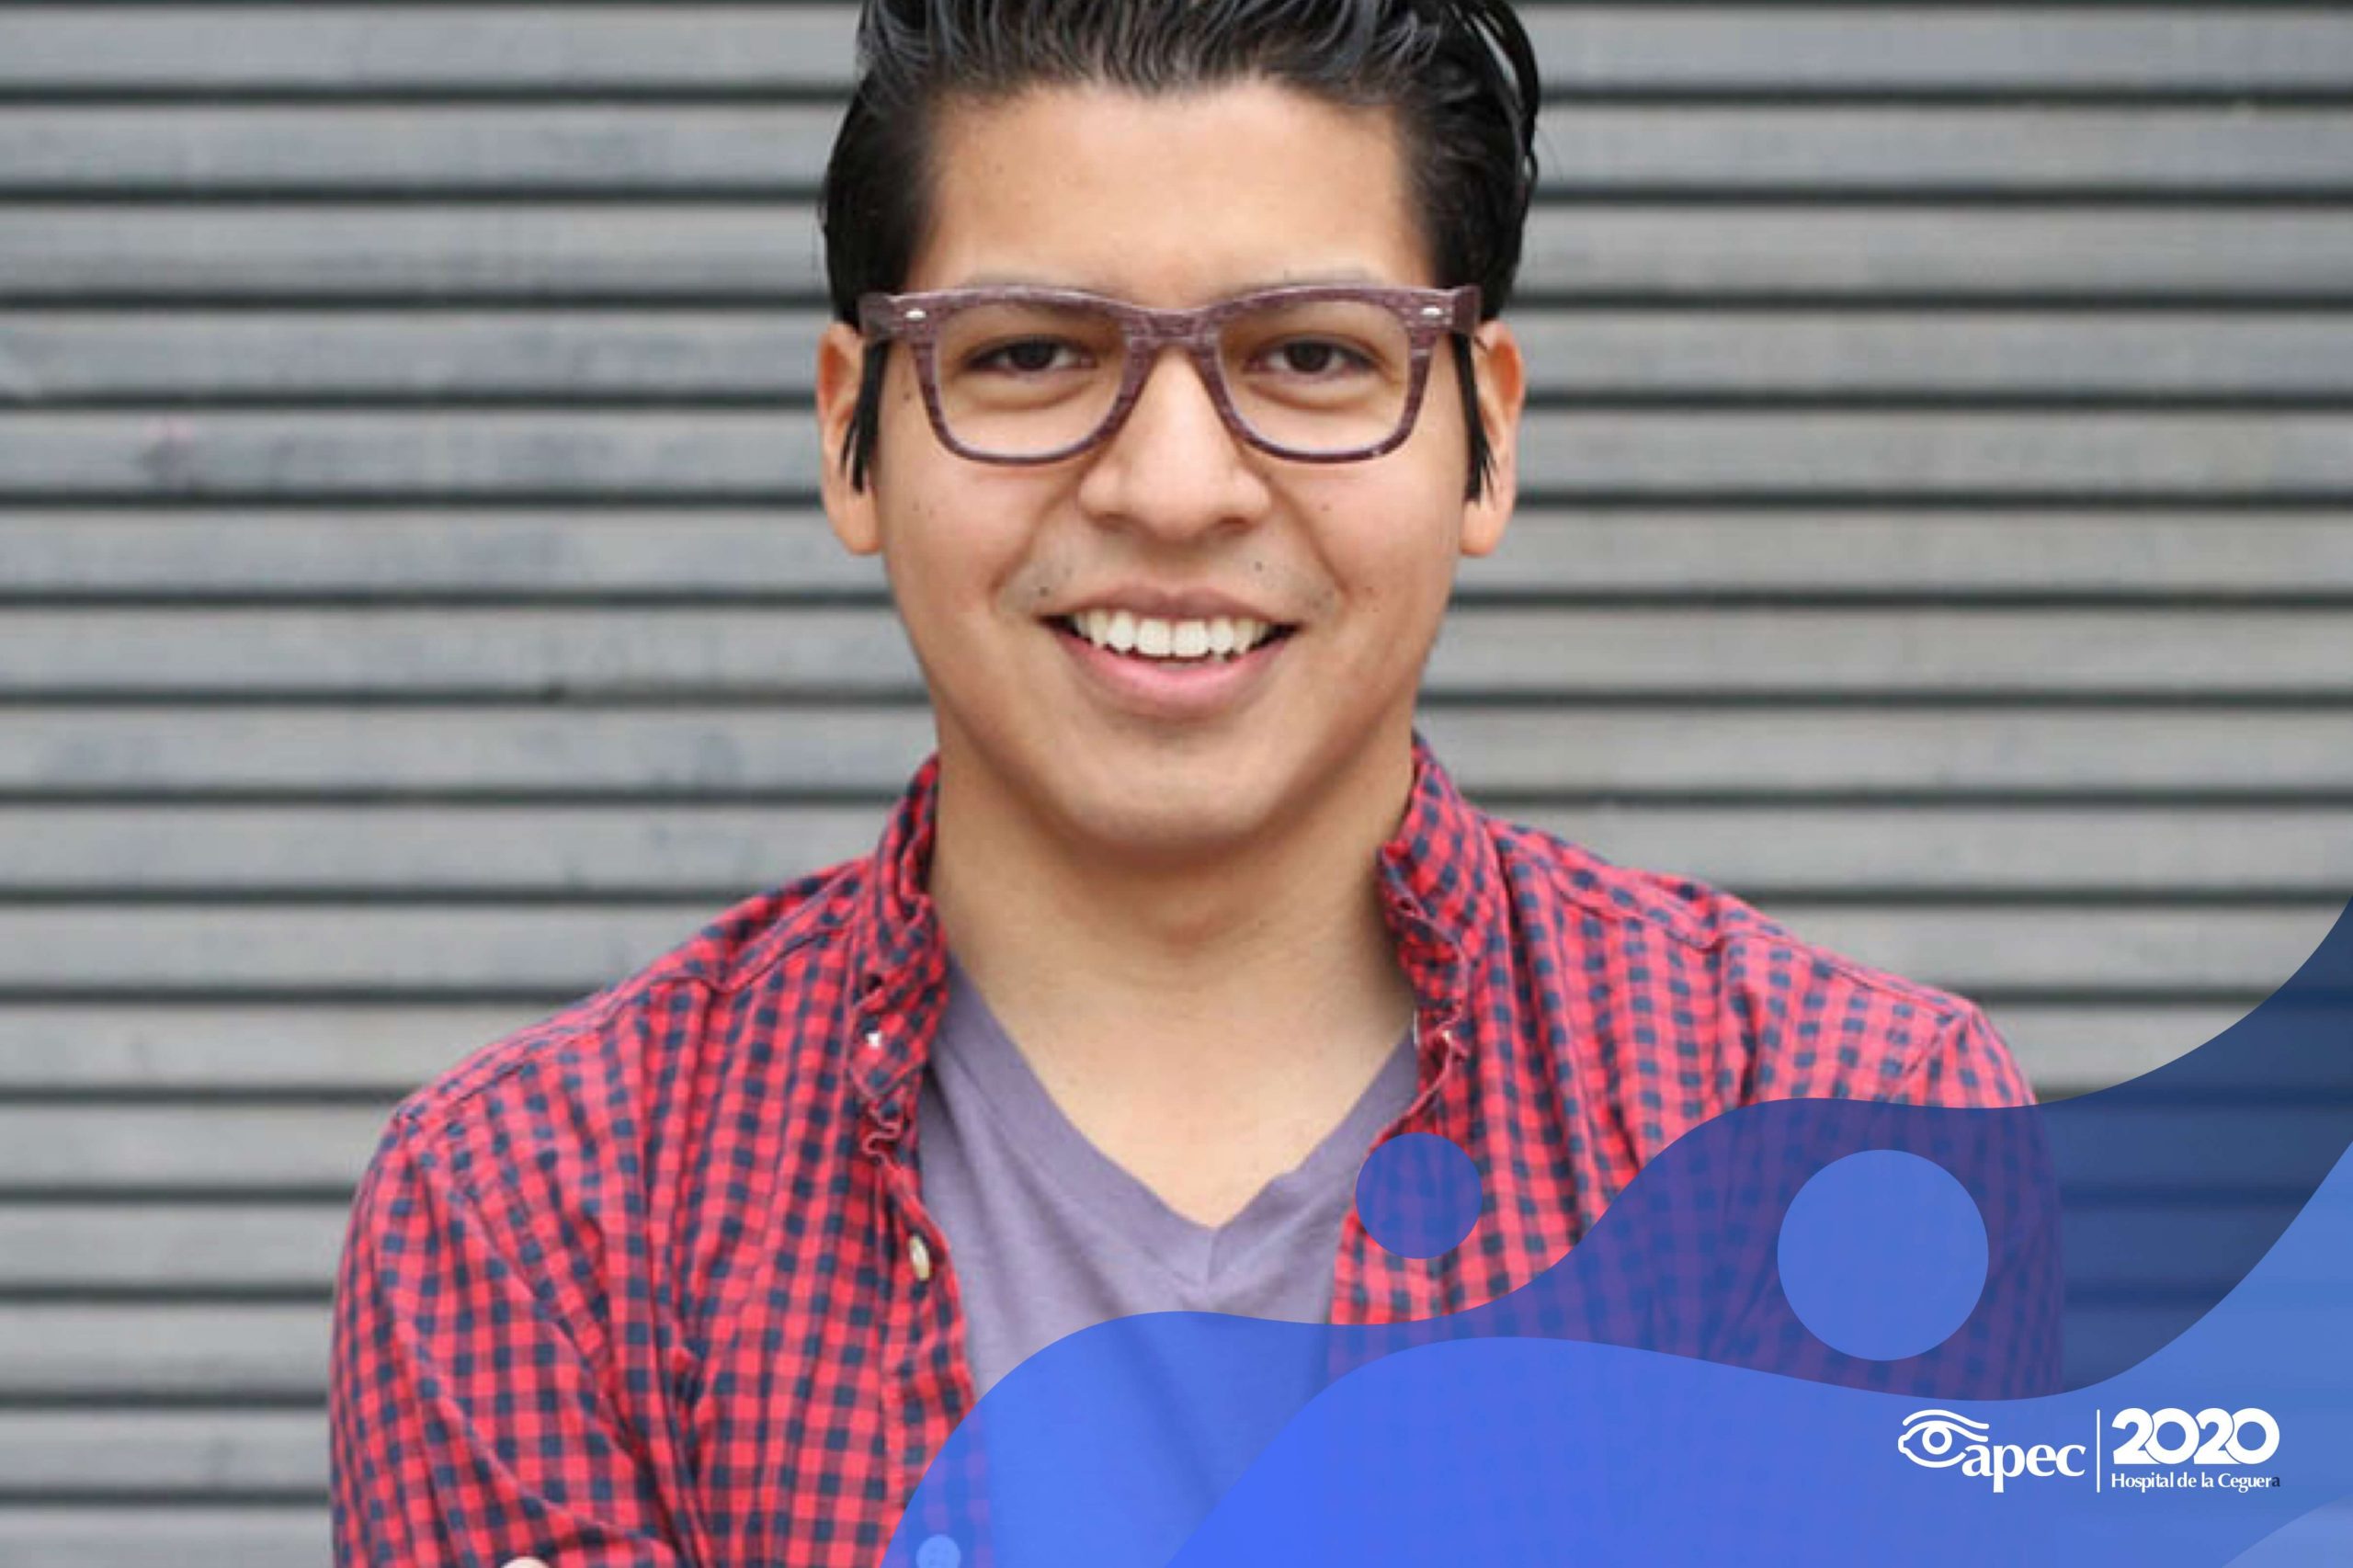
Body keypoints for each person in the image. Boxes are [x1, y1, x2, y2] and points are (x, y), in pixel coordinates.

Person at [329, 1, 2034, 1563]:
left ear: (1486, 436)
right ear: (853, 434)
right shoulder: (541, 1214)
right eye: (1028, 355)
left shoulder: (1838, 1128)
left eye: (1309, 355)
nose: (1172, 484)